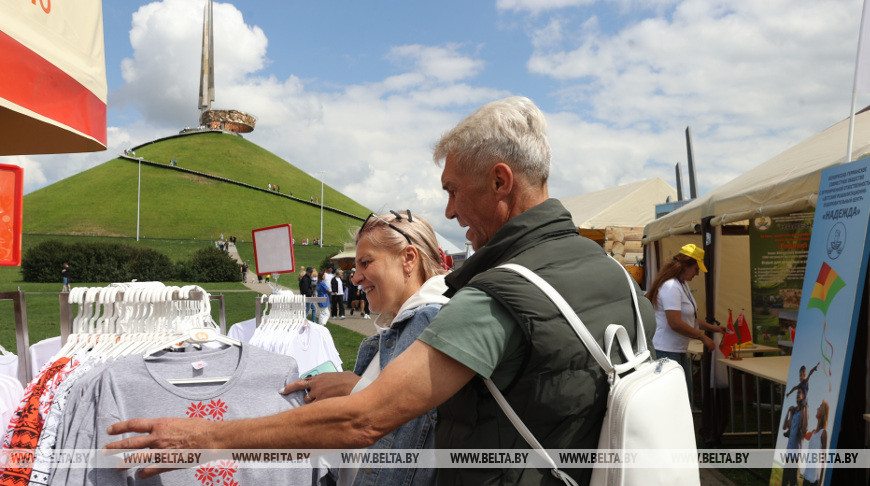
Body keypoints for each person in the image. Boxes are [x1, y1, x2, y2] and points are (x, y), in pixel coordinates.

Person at [105, 96, 656, 486]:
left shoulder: (500, 296)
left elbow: (364, 421)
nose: (448, 211)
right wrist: (366, 377)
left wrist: (209, 437)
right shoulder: (611, 275)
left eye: (453, 190)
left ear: (500, 181)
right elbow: (536, 384)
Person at [296, 210, 448, 485]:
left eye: (366, 263)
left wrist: (352, 390)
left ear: (409, 259)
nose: (355, 278)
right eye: (356, 267)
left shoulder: (429, 319)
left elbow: (415, 421)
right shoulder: (401, 326)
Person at [645, 244, 724, 388]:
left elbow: (689, 319)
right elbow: (675, 323)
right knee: (673, 395)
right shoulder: (671, 286)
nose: (697, 273)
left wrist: (714, 328)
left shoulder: (682, 284)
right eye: (696, 269)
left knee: (682, 392)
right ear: (685, 266)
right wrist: (703, 337)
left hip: (677, 349)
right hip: (666, 350)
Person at [782, 388, 809, 486]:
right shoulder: (794, 413)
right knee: (784, 481)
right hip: (788, 453)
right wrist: (789, 412)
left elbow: (805, 429)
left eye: (800, 393)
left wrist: (805, 408)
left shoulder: (803, 413)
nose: (797, 394)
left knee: (793, 482)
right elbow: (784, 427)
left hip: (795, 455)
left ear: (803, 396)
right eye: (797, 393)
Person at [801, 400, 829, 486]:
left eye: (820, 406)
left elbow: (824, 460)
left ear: (823, 412)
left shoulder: (823, 433)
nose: (817, 408)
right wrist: (805, 408)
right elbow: (803, 432)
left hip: (814, 481)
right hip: (806, 478)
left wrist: (820, 483)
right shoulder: (812, 433)